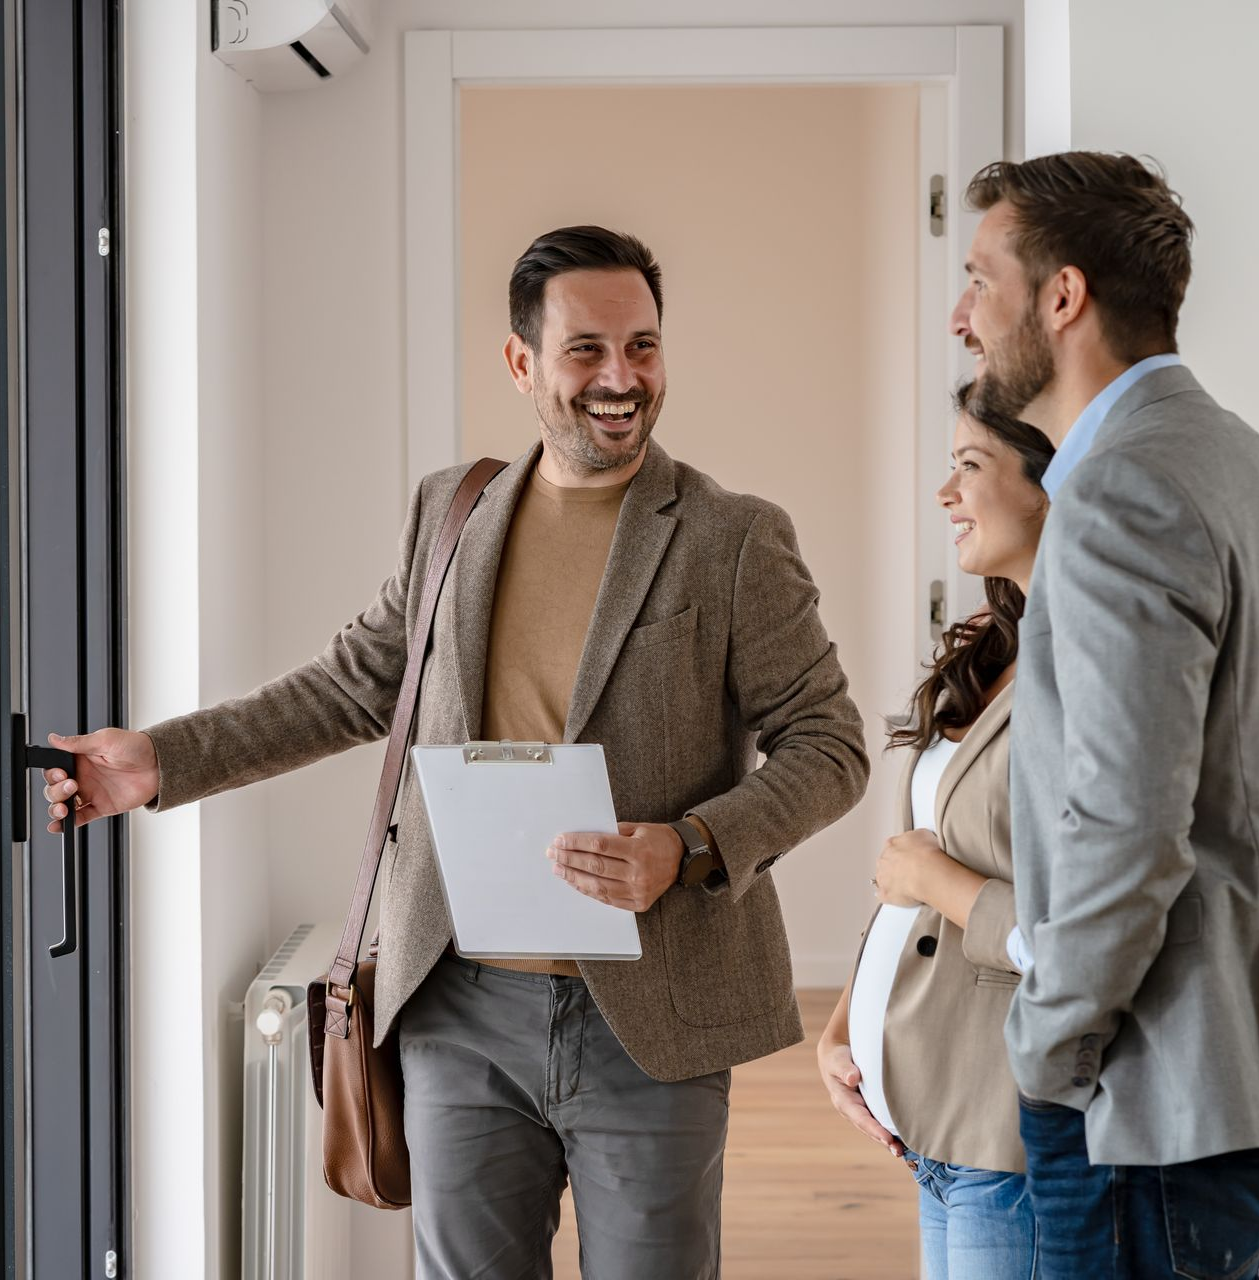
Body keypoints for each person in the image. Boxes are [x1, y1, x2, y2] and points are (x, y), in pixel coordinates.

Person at [42, 225, 869, 1279]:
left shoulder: (731, 534)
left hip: (651, 1006)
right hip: (458, 1001)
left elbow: (829, 742)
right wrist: (162, 758)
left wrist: (689, 842)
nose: (620, 378)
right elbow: (352, 683)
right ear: (522, 362)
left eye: (643, 347)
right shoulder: (453, 510)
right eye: (586, 349)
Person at [954, 151, 1259, 1276]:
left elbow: (1125, 832)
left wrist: (1043, 1049)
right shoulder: (1232, 456)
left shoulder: (1120, 488)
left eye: (979, 278)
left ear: (1061, 295)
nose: (959, 314)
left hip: (1146, 1105)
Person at [817, 382, 1053, 1279]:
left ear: (1047, 483)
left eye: (969, 466)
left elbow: (1079, 934)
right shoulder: (994, 654)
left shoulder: (1091, 670)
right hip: (929, 1122)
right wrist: (844, 1025)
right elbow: (905, 870)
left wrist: (930, 882)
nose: (945, 493)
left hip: (1009, 1131)